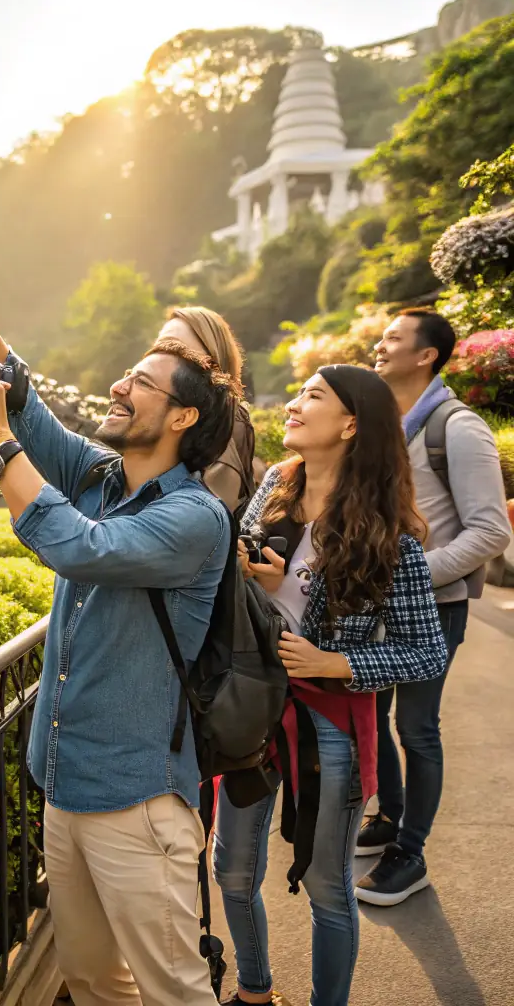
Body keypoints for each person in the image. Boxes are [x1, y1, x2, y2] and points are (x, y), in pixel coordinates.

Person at [0, 236, 239, 1006]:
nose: (120, 384)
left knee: (175, 992)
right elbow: (22, 396)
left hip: (136, 797)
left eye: (147, 376)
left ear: (186, 411)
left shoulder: (196, 517)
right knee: (92, 979)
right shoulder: (102, 475)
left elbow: (78, 547)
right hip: (64, 781)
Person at [213, 364, 448, 1006]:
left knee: (328, 887)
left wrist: (335, 664)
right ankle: (255, 992)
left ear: (350, 425)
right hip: (253, 710)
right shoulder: (273, 488)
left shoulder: (389, 537)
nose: (292, 404)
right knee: (231, 870)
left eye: (312, 396)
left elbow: (426, 651)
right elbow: (252, 588)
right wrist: (259, 584)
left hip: (331, 727)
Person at [357, 309, 511, 904]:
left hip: (433, 607)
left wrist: (413, 577)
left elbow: (490, 531)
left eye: (394, 337)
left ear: (426, 355)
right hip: (373, 604)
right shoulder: (383, 424)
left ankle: (410, 854)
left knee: (416, 727)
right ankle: (389, 818)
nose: (380, 344)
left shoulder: (458, 428)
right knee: (372, 713)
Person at [158, 307, 256, 512]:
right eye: (160, 347)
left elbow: (205, 517)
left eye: (175, 347)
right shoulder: (163, 409)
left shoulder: (224, 421)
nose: (161, 355)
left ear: (211, 358)